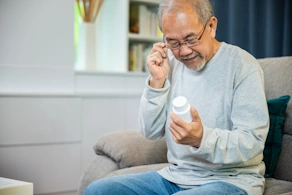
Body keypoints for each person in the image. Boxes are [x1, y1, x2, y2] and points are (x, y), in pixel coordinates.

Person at [85, 0, 269, 194]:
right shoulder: (169, 65)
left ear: (211, 26)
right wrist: (157, 82)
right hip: (175, 177)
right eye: (173, 42)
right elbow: (150, 132)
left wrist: (201, 139)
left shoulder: (243, 66)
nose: (184, 51)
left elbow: (253, 142)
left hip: (230, 180)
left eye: (191, 39)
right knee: (98, 190)